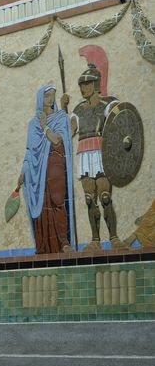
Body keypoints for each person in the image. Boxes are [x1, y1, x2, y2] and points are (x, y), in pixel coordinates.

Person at [61, 63, 125, 250]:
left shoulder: (109, 103)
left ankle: (113, 238)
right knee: (89, 199)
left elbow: (120, 122)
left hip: (101, 151)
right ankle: (95, 240)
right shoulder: (78, 110)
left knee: (105, 196)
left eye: (87, 83)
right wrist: (63, 108)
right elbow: (69, 131)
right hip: (84, 152)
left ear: (96, 84)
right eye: (81, 84)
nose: (83, 88)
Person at [18, 84, 75, 254]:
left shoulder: (61, 118)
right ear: (39, 99)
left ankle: (64, 242)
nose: (50, 99)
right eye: (47, 96)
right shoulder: (32, 124)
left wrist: (45, 126)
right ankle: (43, 246)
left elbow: (57, 140)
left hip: (55, 164)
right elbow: (30, 151)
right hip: (36, 171)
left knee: (58, 201)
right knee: (42, 207)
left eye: (52, 95)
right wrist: (23, 172)